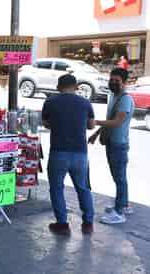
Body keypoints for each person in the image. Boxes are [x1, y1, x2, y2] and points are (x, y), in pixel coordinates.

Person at [42, 74, 96, 235]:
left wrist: (59, 124)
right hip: (80, 153)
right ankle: (88, 223)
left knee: (57, 188)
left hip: (58, 152)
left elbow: (45, 123)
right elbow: (91, 125)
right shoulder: (85, 103)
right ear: (76, 87)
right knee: (83, 188)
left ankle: (62, 223)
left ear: (59, 87)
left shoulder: (51, 101)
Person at [88, 68, 134, 224]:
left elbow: (117, 121)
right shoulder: (114, 96)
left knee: (120, 178)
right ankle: (124, 204)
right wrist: (96, 133)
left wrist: (96, 122)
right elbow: (110, 118)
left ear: (125, 82)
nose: (113, 83)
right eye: (111, 80)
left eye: (117, 81)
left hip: (118, 144)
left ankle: (119, 212)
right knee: (119, 177)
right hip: (111, 142)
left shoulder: (125, 99)